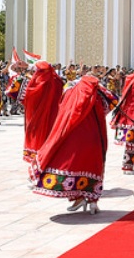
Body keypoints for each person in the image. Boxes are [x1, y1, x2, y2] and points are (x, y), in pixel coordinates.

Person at [30, 75, 117, 214]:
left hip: (76, 137)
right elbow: (113, 101)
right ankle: (93, 202)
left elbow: (63, 111)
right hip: (95, 138)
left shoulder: (71, 92)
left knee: (74, 166)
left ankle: (78, 198)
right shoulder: (98, 94)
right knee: (93, 167)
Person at [21, 61, 63, 164]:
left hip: (37, 115)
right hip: (54, 115)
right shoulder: (57, 81)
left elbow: (26, 97)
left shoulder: (37, 81)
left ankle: (37, 156)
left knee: (38, 134)